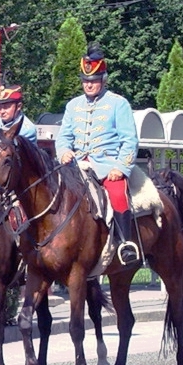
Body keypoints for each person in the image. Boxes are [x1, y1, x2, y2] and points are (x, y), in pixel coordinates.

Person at [57, 43, 140, 264]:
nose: (89, 85)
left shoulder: (118, 104)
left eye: (93, 81)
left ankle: (125, 243)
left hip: (107, 166)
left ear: (103, 80)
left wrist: (120, 168)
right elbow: (64, 136)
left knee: (117, 193)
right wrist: (64, 151)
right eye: (85, 81)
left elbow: (129, 140)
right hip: (75, 167)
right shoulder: (73, 106)